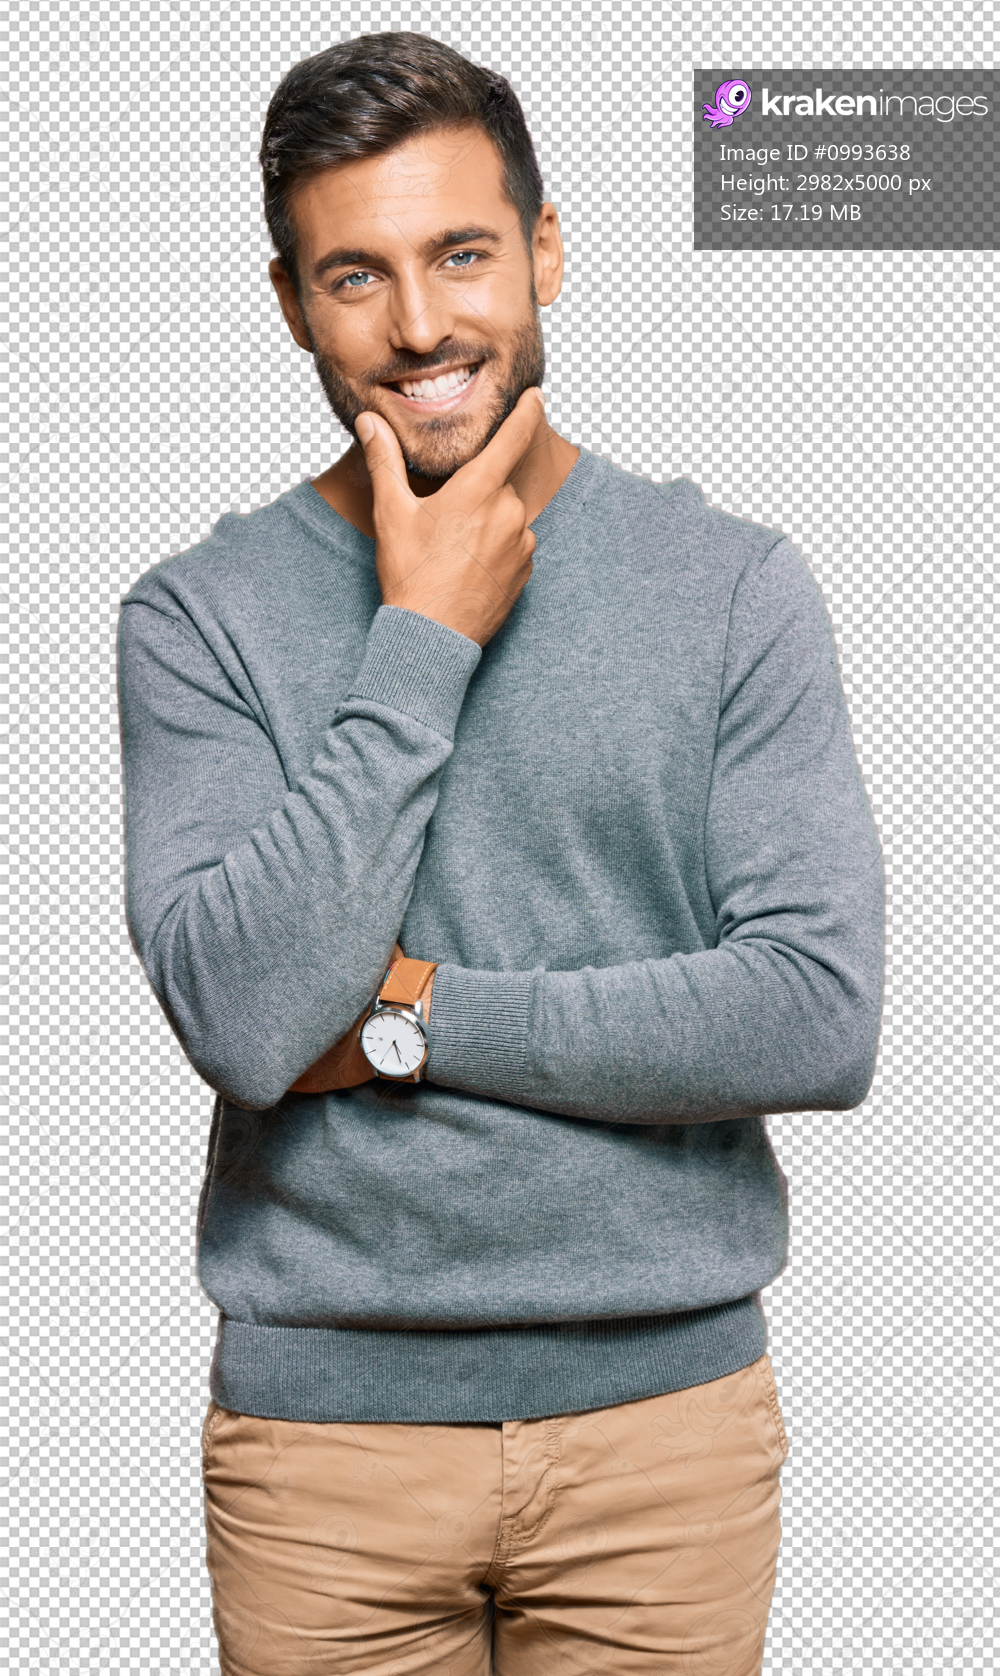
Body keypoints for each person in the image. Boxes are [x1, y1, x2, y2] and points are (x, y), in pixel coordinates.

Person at [116, 31, 884, 1676]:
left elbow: (813, 1015)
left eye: (463, 253)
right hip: (326, 1460)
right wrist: (419, 636)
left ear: (544, 249)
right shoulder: (198, 620)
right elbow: (252, 1021)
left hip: (661, 1444)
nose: (418, 325)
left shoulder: (732, 586)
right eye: (354, 274)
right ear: (289, 301)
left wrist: (406, 1016)